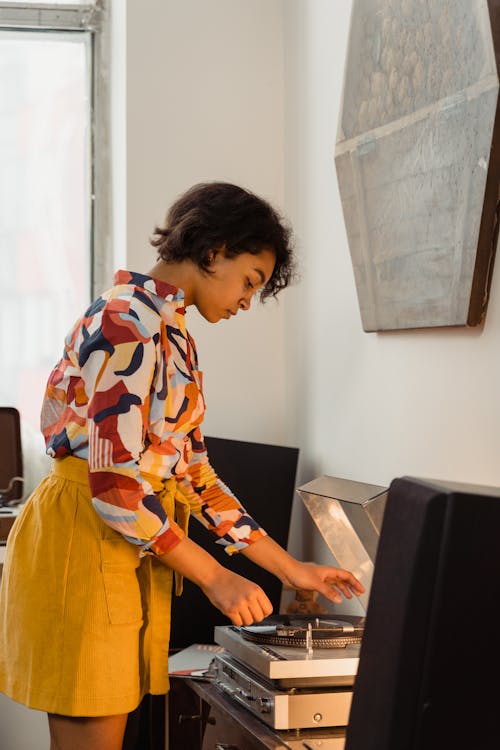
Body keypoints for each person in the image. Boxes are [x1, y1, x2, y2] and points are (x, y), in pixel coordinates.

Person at [0, 182, 364, 750]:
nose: (248, 301)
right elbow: (116, 485)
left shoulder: (174, 335)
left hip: (126, 541)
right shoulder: (126, 322)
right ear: (213, 248)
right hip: (84, 535)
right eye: (250, 281)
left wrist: (289, 568)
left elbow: (194, 472)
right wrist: (216, 577)